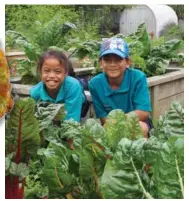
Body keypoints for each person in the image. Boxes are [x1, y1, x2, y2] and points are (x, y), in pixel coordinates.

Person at [88, 38, 153, 138]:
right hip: (111, 125)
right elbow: (103, 119)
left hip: (136, 122)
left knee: (141, 128)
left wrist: (117, 121)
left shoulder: (138, 77)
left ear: (127, 62)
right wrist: (115, 124)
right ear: (100, 63)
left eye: (118, 59)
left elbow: (143, 113)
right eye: (107, 60)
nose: (112, 64)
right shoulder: (95, 84)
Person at [30, 50, 85, 122]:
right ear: (40, 72)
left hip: (76, 106)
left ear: (65, 73)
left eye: (58, 71)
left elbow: (72, 120)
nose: (52, 76)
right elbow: (34, 120)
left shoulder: (73, 86)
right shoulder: (35, 93)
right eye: (47, 71)